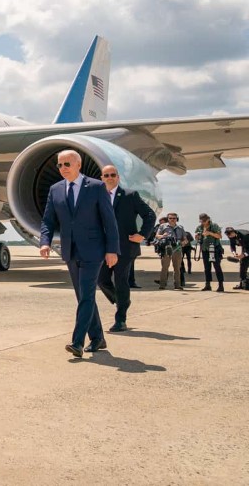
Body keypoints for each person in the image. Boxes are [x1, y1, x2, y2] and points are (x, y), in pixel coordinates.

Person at [39, 150, 119, 358]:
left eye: (67, 164)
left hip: (94, 250)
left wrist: (112, 249)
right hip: (70, 250)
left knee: (86, 294)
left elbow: (109, 221)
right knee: (84, 296)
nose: (63, 168)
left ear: (78, 165)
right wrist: (45, 242)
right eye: (60, 165)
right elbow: (48, 220)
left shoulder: (96, 186)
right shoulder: (55, 189)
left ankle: (77, 342)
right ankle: (98, 338)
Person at [96, 165, 156, 332]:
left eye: (113, 175)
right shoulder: (97, 197)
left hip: (125, 246)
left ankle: (120, 319)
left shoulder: (130, 195)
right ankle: (123, 301)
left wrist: (142, 234)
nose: (109, 177)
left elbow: (149, 215)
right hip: (103, 247)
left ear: (118, 177)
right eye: (106, 175)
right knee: (101, 279)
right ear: (102, 178)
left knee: (121, 280)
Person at [153, 213, 185, 290]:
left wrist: (184, 242)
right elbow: (157, 236)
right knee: (164, 267)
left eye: (174, 218)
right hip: (167, 248)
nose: (172, 219)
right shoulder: (163, 226)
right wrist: (163, 236)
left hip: (177, 249)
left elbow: (185, 238)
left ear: (177, 219)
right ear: (168, 219)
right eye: (170, 218)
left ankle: (177, 285)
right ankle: (162, 284)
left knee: (177, 268)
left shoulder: (180, 228)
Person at [195, 213, 224, 292]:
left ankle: (221, 285)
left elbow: (219, 236)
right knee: (207, 268)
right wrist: (197, 236)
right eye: (202, 221)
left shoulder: (214, 226)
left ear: (208, 219)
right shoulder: (199, 227)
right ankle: (208, 285)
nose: (203, 222)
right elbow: (197, 238)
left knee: (217, 267)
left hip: (214, 249)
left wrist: (210, 233)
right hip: (205, 249)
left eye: (204, 220)